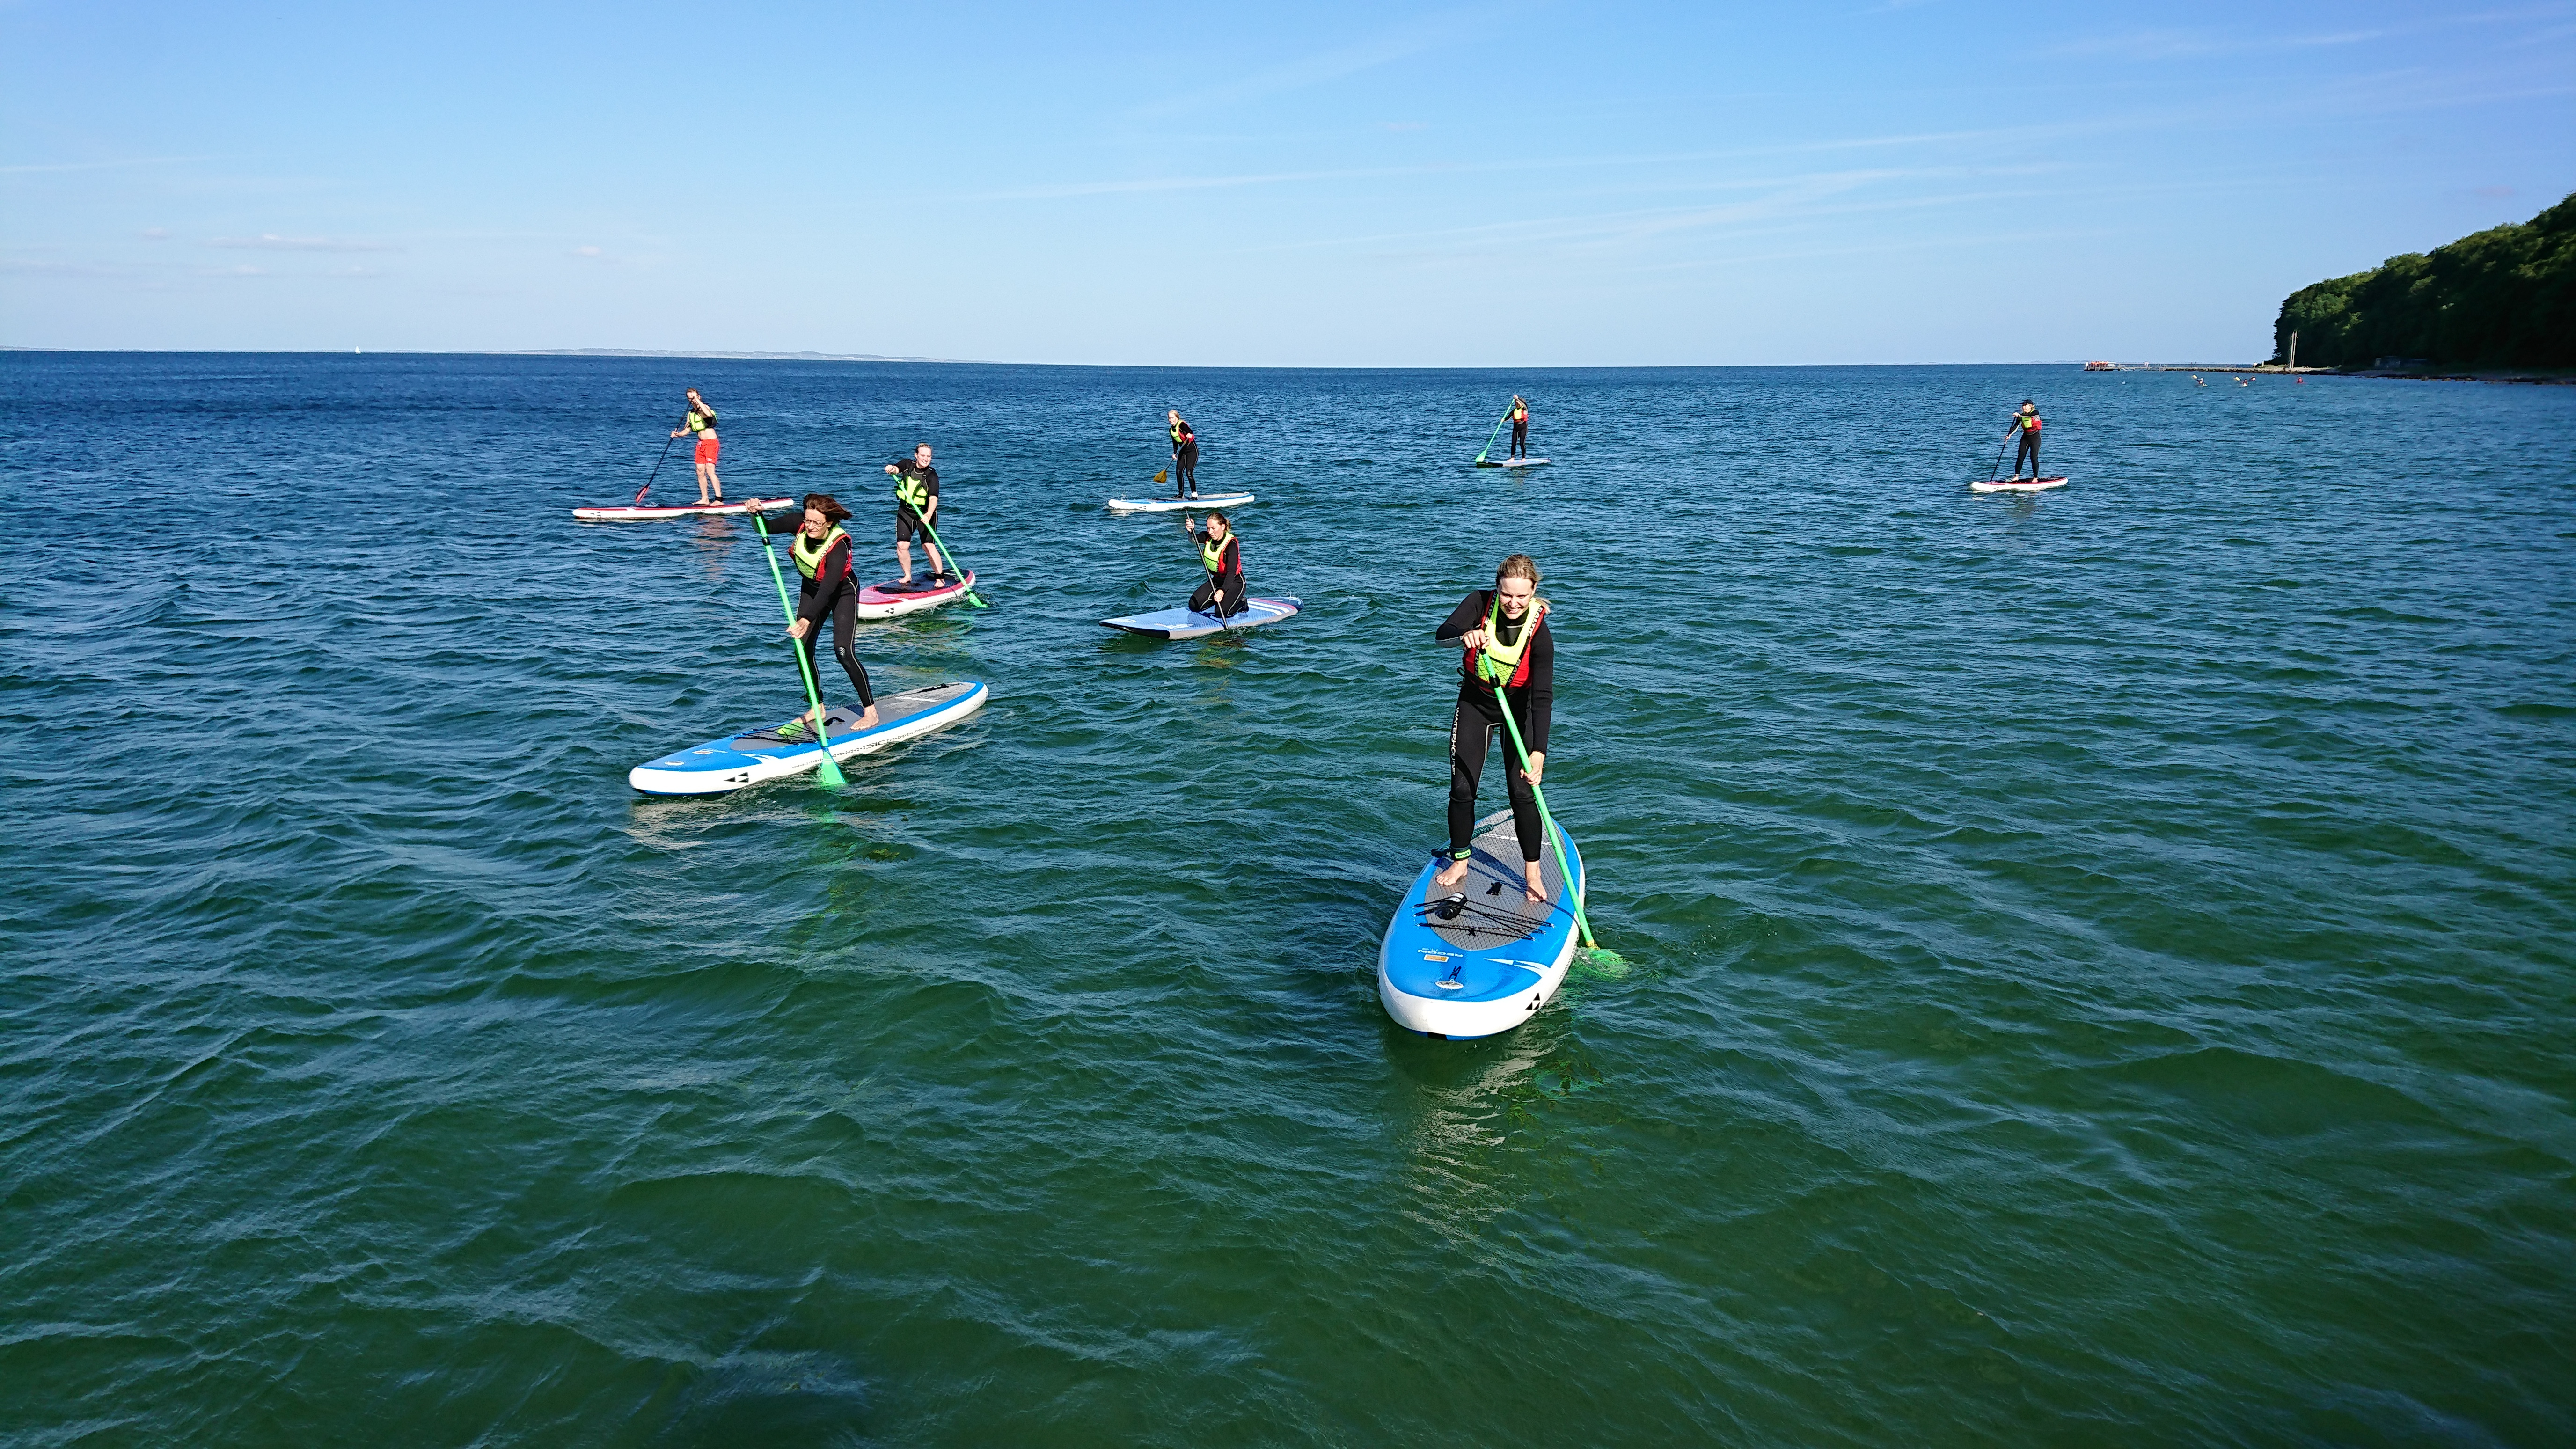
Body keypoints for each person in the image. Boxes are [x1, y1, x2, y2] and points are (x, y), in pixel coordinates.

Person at [1432, 554, 1554, 904]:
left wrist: (1538, 753)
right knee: (1462, 787)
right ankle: (1460, 860)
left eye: (1522, 597)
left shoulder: (1539, 634)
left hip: (1519, 711)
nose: (1513, 603)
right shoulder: (1478, 603)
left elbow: (1542, 697)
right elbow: (1443, 635)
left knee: (1522, 792)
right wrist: (1466, 635)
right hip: (1477, 703)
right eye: (1506, 595)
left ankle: (1533, 872)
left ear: (1533, 593)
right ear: (1498, 589)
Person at [765, 493, 878, 739]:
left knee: (843, 652)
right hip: (811, 589)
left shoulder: (839, 546)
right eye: (808, 521)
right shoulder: (801, 524)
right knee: (802, 648)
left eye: (817, 523)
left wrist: (806, 619)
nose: (811, 527)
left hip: (841, 593)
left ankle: (871, 712)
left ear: (829, 523)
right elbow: (765, 528)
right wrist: (756, 513)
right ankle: (817, 707)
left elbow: (827, 590)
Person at [882, 443, 948, 584]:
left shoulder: (932, 476)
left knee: (928, 546)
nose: (926, 459)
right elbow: (896, 468)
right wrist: (891, 469)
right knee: (902, 546)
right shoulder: (907, 465)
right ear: (916, 456)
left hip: (925, 514)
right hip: (906, 512)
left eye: (929, 456)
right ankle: (907, 576)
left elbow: (933, 498)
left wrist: (929, 514)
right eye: (923, 455)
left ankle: (940, 578)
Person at [1184, 509, 1245, 618]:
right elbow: (1194, 540)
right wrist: (1191, 531)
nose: (1210, 532)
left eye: (1213, 528)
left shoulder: (1231, 544)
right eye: (1208, 528)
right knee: (1194, 605)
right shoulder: (1208, 536)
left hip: (1235, 582)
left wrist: (1222, 591)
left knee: (1222, 613)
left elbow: (1231, 572)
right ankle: (1220, 601)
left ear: (1222, 527)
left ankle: (1242, 604)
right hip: (1217, 581)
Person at [672, 388, 723, 505]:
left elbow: (708, 414)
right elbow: (687, 430)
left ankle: (719, 500)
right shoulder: (691, 414)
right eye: (690, 399)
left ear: (699, 397)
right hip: (701, 444)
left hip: (711, 443)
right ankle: (705, 499)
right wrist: (678, 434)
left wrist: (698, 402)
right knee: (700, 471)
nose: (693, 401)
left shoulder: (705, 408)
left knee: (710, 470)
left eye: (694, 398)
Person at [2005, 399, 2042, 480]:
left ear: (2031, 406)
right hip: (2025, 438)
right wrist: (2009, 435)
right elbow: (2015, 426)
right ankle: (2016, 476)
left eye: (2026, 405)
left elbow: (2029, 416)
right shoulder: (2022, 416)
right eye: (2023, 405)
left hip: (2035, 438)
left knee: (2034, 458)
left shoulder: (2036, 413)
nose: (2024, 407)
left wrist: (2020, 416)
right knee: (2020, 457)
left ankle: (2035, 477)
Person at [1167, 410, 1200, 499]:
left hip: (1192, 451)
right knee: (1178, 472)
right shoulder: (1171, 430)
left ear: (1177, 418)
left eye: (1172, 418)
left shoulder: (1182, 425)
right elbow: (1175, 442)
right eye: (1169, 418)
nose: (1171, 420)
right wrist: (1174, 453)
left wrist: (1189, 434)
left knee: (1189, 473)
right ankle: (1181, 494)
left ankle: (1194, 495)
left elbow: (1190, 431)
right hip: (1182, 452)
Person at [1508, 395, 1530, 459]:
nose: (1516, 403)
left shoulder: (1525, 409)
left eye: (1518, 402)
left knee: (1521, 443)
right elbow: (1508, 417)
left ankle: (1523, 458)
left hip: (1523, 428)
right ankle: (1512, 457)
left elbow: (1525, 405)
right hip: (1516, 429)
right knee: (1514, 443)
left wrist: (1517, 399)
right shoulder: (1514, 411)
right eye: (1516, 403)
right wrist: (1504, 420)